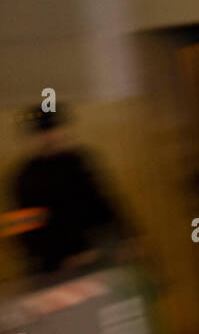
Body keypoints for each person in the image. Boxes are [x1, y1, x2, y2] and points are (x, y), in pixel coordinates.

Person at [9, 106, 134, 276]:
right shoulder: (26, 176)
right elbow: (24, 229)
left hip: (93, 254)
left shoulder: (78, 161)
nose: (51, 137)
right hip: (53, 266)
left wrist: (127, 238)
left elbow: (102, 202)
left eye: (55, 130)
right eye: (45, 132)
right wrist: (61, 258)